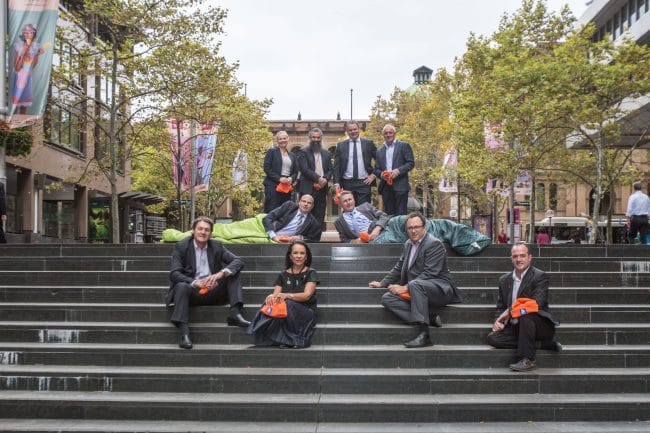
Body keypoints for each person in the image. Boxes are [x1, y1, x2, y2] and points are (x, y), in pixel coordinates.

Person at [369, 212, 463, 348]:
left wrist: (405, 287)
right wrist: (382, 283)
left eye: (416, 227)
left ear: (424, 227)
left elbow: (430, 273)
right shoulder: (408, 244)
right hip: (417, 288)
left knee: (415, 284)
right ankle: (429, 318)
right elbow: (399, 266)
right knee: (387, 298)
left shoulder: (434, 244)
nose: (413, 231)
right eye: (410, 228)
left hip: (439, 290)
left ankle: (425, 335)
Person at [167, 216, 250, 349]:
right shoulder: (182, 246)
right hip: (192, 293)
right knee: (181, 285)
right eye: (200, 229)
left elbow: (239, 261)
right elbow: (175, 274)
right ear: (193, 231)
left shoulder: (216, 246)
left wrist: (220, 274)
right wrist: (195, 282)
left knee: (233, 272)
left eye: (207, 230)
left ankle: (234, 313)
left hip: (213, 290)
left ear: (210, 233)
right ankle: (184, 332)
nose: (203, 232)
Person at [487, 242, 561, 371]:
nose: (519, 259)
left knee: (525, 313)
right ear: (511, 258)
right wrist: (498, 321)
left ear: (529, 257)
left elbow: (535, 304)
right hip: (518, 327)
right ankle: (541, 344)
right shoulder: (504, 280)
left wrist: (510, 311)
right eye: (515, 256)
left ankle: (527, 359)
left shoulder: (539, 276)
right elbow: (500, 307)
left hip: (539, 324)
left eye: (522, 256)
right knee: (493, 338)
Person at [246, 241, 319, 348]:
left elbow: (307, 295)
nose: (298, 256)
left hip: (306, 312)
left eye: (302, 253)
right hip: (287, 311)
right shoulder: (283, 274)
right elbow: (276, 295)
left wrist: (288, 295)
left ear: (306, 257)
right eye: (295, 253)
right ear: (290, 256)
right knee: (270, 302)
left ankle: (295, 340)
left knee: (287, 302)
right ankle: (258, 330)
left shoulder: (311, 273)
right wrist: (271, 296)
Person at [297, 128, 331, 240]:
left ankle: (316, 242)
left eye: (318, 137)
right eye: (313, 137)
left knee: (319, 217)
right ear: (309, 138)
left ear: (321, 138)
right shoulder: (303, 151)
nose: (316, 140)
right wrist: (318, 179)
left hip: (321, 190)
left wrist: (325, 179)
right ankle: (303, 240)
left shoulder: (326, 153)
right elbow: (304, 169)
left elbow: (330, 170)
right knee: (304, 215)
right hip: (308, 189)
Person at [373, 124, 415, 215]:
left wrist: (397, 171)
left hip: (401, 186)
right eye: (386, 133)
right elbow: (376, 169)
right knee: (389, 214)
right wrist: (382, 175)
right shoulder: (379, 151)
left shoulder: (404, 146)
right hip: (386, 187)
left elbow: (410, 163)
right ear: (383, 135)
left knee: (401, 214)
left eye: (390, 132)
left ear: (394, 134)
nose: (388, 135)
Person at [333, 120, 376, 206]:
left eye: (355, 129)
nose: (353, 132)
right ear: (347, 131)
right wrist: (336, 182)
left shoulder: (368, 143)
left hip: (364, 183)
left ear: (359, 129)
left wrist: (373, 175)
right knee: (348, 210)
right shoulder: (341, 145)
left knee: (364, 210)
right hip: (346, 183)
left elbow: (380, 160)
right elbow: (336, 166)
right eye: (350, 130)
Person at [11, 24, 45, 115]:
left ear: (34, 34)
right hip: (19, 77)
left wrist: (37, 54)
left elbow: (33, 65)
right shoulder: (19, 46)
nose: (28, 35)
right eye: (26, 32)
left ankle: (21, 127)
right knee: (15, 104)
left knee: (24, 106)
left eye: (30, 32)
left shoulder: (36, 47)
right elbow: (16, 67)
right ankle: (11, 124)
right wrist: (24, 52)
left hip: (27, 77)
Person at [263, 130, 298, 212]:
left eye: (284, 138)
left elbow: (295, 172)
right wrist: (279, 179)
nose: (283, 140)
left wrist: (291, 179)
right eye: (280, 139)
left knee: (284, 210)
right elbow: (267, 168)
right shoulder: (272, 152)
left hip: (286, 186)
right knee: (271, 210)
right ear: (277, 141)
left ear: (288, 139)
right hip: (273, 186)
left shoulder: (292, 155)